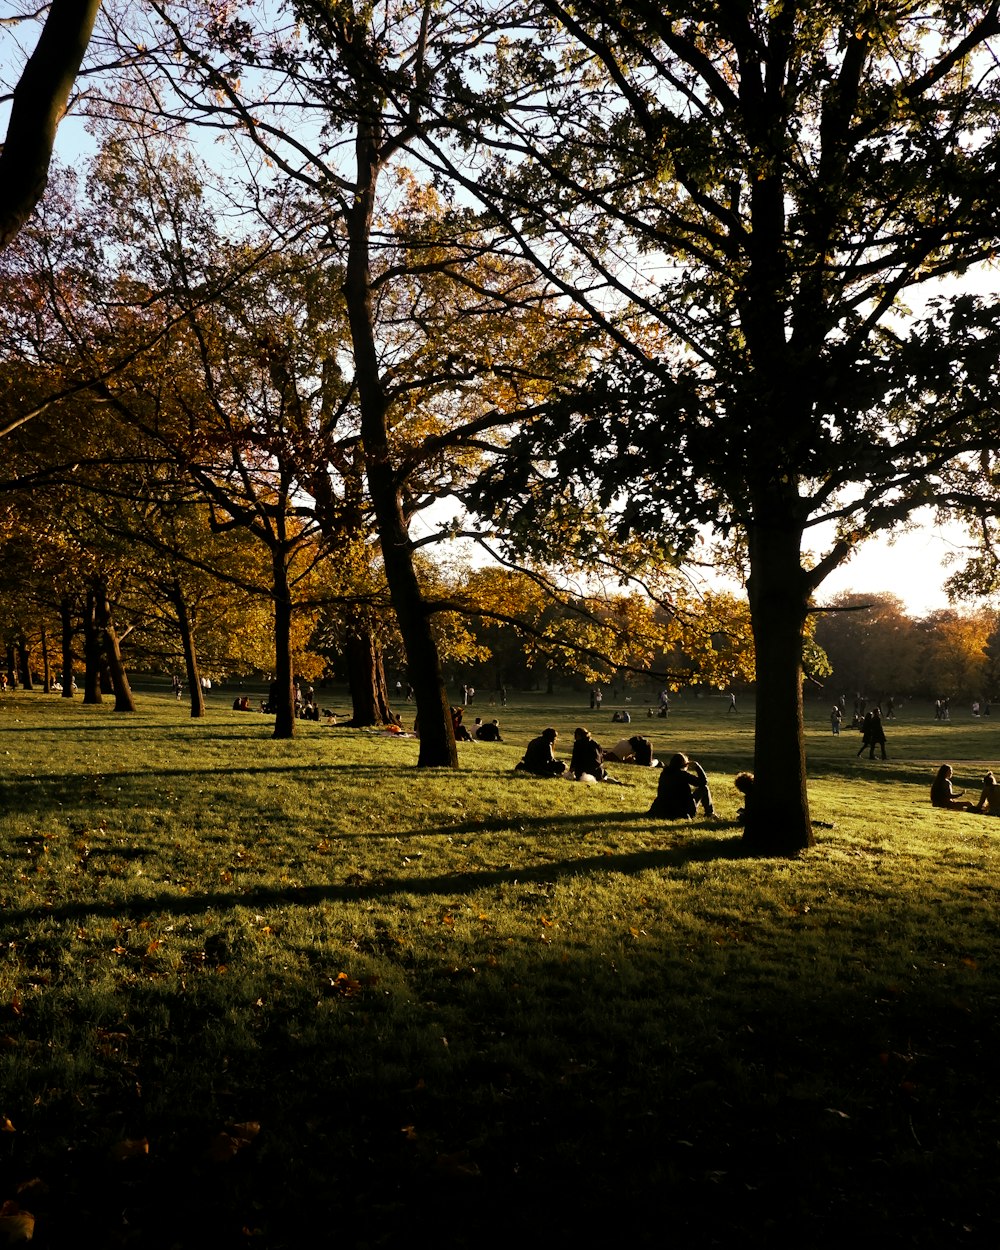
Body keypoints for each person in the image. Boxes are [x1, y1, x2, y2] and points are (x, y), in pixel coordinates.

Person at [649, 753, 714, 818]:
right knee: (704, 788)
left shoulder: (664, 773)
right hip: (682, 810)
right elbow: (703, 782)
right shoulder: (682, 775)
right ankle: (710, 813)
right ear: (684, 764)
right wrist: (697, 767)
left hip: (663, 808)